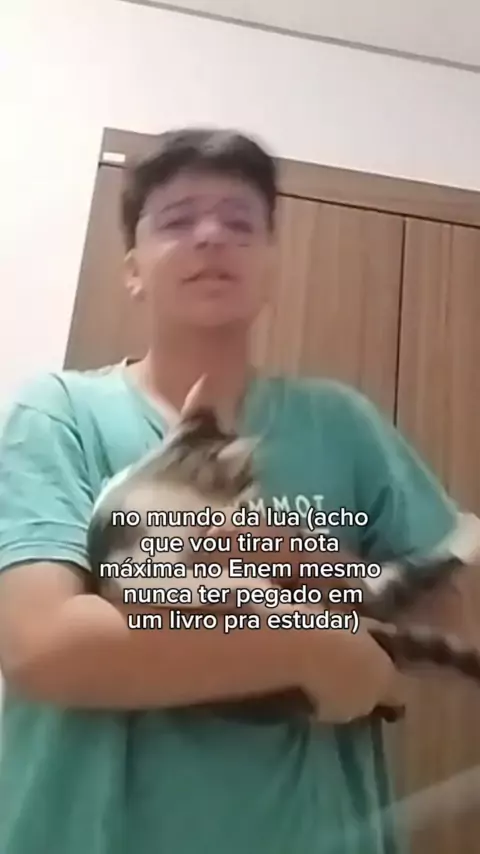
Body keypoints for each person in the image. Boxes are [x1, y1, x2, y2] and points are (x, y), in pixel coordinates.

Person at [0, 127, 469, 854]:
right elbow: (44, 646)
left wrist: (280, 557)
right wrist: (313, 649)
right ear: (133, 268)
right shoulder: (57, 414)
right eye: (178, 220)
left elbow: (456, 618)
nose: (212, 236)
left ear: (273, 263)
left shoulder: (341, 424)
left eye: (240, 223)